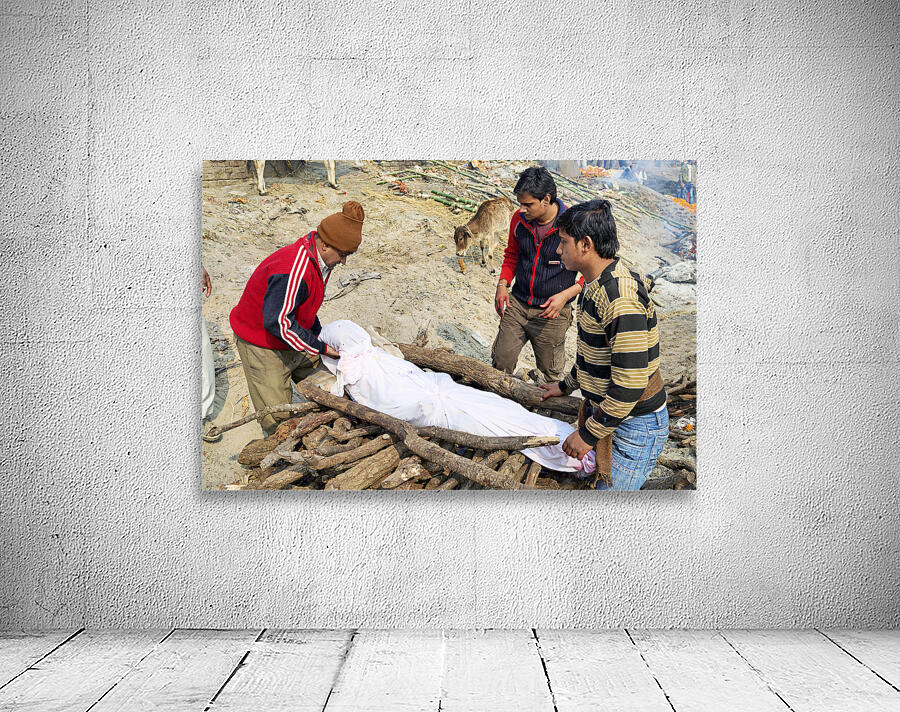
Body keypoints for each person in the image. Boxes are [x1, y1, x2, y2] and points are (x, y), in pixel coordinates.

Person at [539, 199, 668, 490]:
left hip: (635, 424)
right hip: (615, 415)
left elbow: (630, 384)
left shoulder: (620, 298)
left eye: (563, 242)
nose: (559, 250)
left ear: (586, 244)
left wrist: (587, 435)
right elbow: (592, 352)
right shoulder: (594, 284)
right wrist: (566, 385)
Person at [229, 201, 365, 436]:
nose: (344, 261)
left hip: (288, 329)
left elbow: (304, 305)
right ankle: (279, 454)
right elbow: (277, 322)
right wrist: (321, 346)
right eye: (342, 255)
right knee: (277, 417)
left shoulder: (322, 260)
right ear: (324, 245)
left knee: (329, 378)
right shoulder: (293, 268)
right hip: (261, 341)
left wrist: (319, 335)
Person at [492, 167, 584, 383]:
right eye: (520, 203)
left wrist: (565, 297)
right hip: (518, 303)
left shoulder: (574, 224)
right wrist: (502, 284)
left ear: (547, 199)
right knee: (500, 360)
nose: (522, 209)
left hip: (553, 312)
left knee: (550, 374)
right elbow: (512, 254)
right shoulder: (519, 220)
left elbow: (589, 270)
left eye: (528, 204)